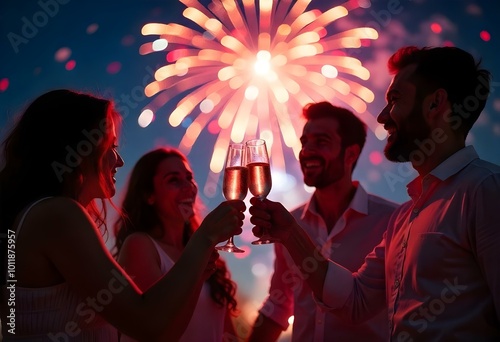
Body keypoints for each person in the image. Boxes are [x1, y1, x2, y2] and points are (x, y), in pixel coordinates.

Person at [249, 45, 500, 341]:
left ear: (436, 104)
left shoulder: (486, 190)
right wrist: (291, 233)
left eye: (395, 99)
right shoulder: (404, 217)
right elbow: (356, 301)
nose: (382, 117)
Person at [0, 89, 245, 341]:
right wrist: (204, 238)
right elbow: (147, 325)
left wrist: (196, 268)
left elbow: (164, 334)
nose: (119, 161)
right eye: (110, 147)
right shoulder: (58, 215)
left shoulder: (41, 216)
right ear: (78, 148)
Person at [248, 102, 398, 341]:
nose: (306, 151)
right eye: (304, 142)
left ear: (350, 153)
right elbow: (279, 303)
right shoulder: (289, 221)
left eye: (321, 142)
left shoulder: (392, 221)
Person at [114, 147, 238, 342]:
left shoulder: (206, 252)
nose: (188, 186)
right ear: (149, 195)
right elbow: (158, 335)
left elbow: (227, 335)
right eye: (173, 180)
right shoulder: (140, 246)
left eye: (189, 178)